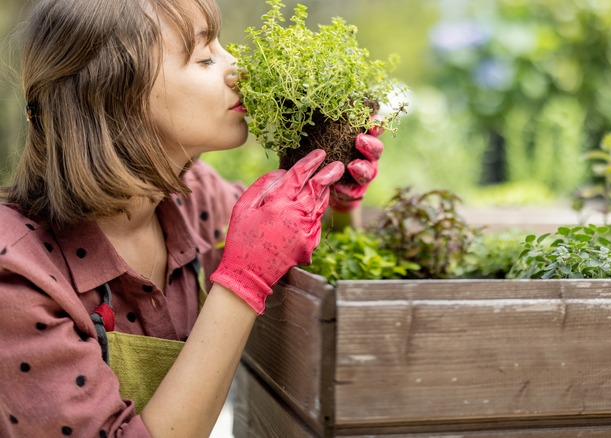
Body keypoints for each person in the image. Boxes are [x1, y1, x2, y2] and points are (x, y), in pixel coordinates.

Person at [0, 0, 384, 436]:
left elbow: (291, 244)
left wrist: (334, 202)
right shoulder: (15, 273)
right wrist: (243, 281)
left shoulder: (194, 197)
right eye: (204, 57)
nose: (237, 68)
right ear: (114, 95)